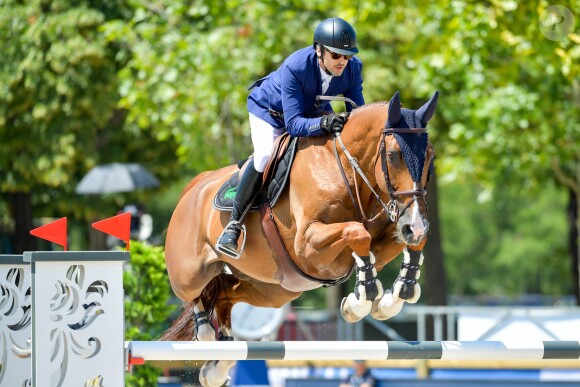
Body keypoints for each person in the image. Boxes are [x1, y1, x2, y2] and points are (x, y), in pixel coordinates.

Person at [216, 17, 365, 258]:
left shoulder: (353, 69)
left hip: (310, 112)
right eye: (336, 55)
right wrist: (324, 122)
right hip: (270, 113)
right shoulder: (296, 66)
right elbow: (294, 125)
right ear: (319, 49)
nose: (343, 62)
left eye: (347, 56)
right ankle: (234, 226)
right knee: (265, 155)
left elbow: (359, 113)